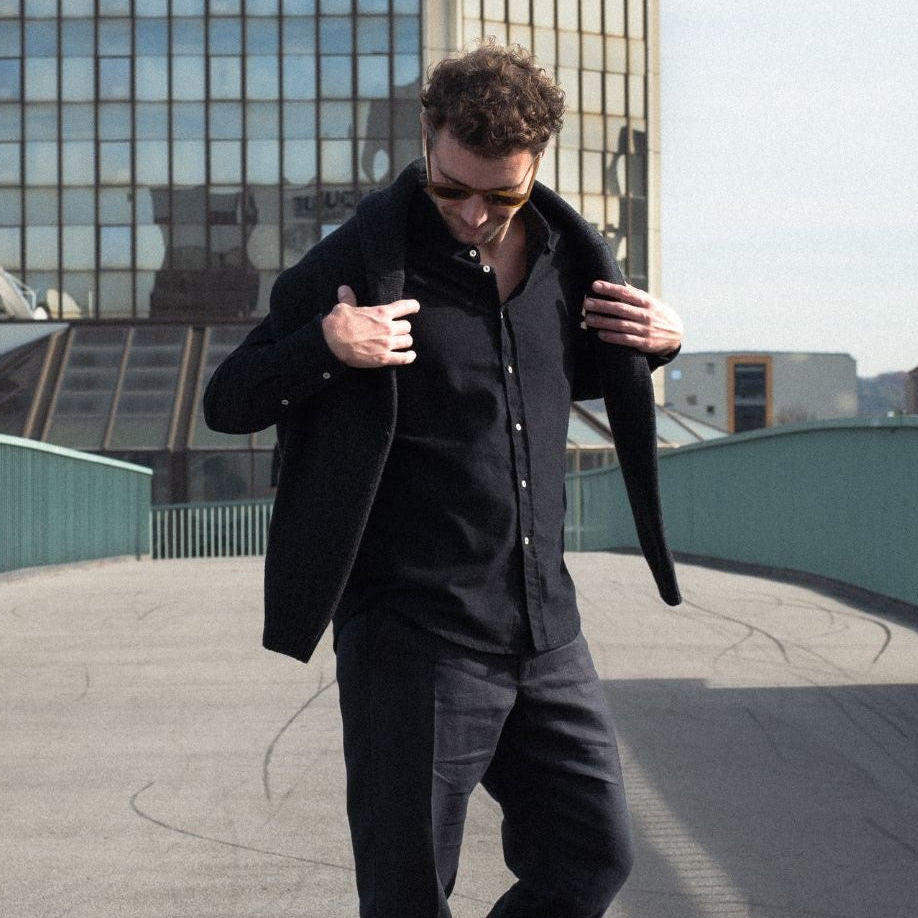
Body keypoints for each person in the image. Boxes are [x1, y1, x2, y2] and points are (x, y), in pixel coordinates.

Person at [204, 39, 682, 918]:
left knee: (593, 859)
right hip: (414, 638)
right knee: (409, 895)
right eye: (450, 187)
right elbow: (227, 400)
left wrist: (657, 344)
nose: (473, 213)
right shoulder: (357, 263)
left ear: (537, 164)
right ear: (427, 140)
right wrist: (326, 345)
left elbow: (546, 376)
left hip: (545, 628)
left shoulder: (565, 261)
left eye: (502, 195)